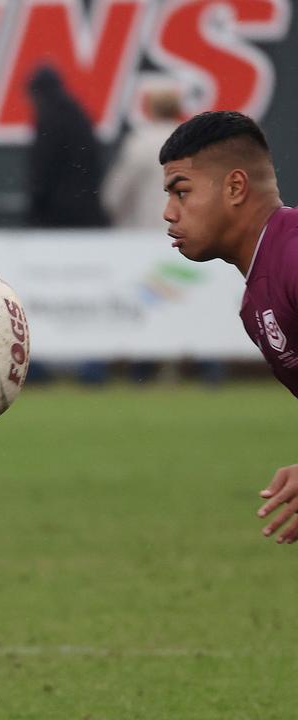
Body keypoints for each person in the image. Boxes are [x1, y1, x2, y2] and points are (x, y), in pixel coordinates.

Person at [157, 111, 298, 541]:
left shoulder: (293, 260)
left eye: (181, 192)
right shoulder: (255, 302)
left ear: (236, 187)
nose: (168, 212)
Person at [25, 64, 108, 228]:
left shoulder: (49, 120)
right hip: (88, 212)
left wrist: (36, 211)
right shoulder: (78, 115)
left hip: (57, 217)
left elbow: (43, 171)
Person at [103, 88, 183, 229]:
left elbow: (116, 195)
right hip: (184, 229)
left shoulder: (141, 142)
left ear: (149, 109)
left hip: (146, 231)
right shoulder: (191, 141)